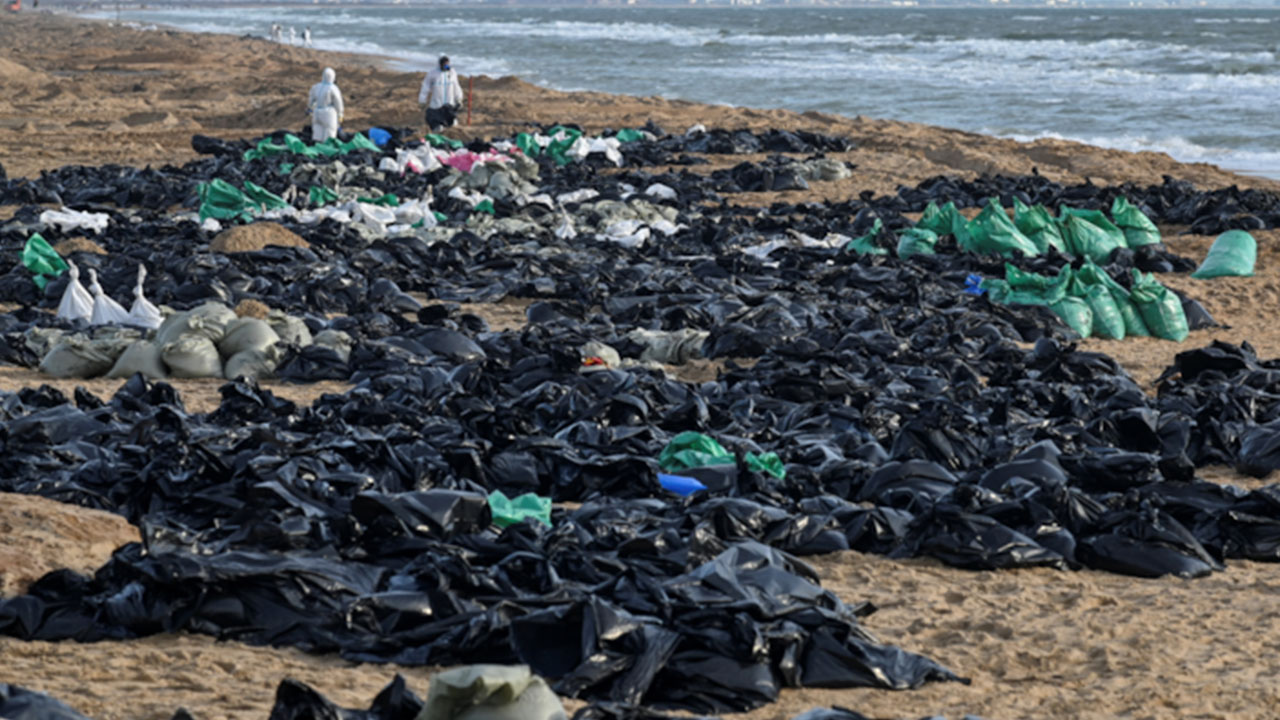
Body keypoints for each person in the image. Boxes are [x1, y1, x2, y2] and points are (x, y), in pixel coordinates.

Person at [418, 55, 463, 132]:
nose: (446, 66)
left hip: (449, 104)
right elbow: (425, 87)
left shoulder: (452, 73)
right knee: (436, 121)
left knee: (452, 121)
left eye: (447, 64)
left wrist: (458, 98)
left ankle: (450, 123)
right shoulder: (432, 74)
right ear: (440, 64)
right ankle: (437, 126)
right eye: (444, 64)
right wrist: (422, 100)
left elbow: (456, 86)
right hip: (436, 105)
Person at [307, 67, 344, 142]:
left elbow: (311, 99)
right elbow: (338, 102)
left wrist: (310, 108)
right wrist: (340, 114)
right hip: (328, 114)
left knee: (317, 133)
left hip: (317, 112)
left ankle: (317, 149)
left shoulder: (316, 86)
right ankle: (327, 151)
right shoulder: (333, 88)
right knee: (330, 133)